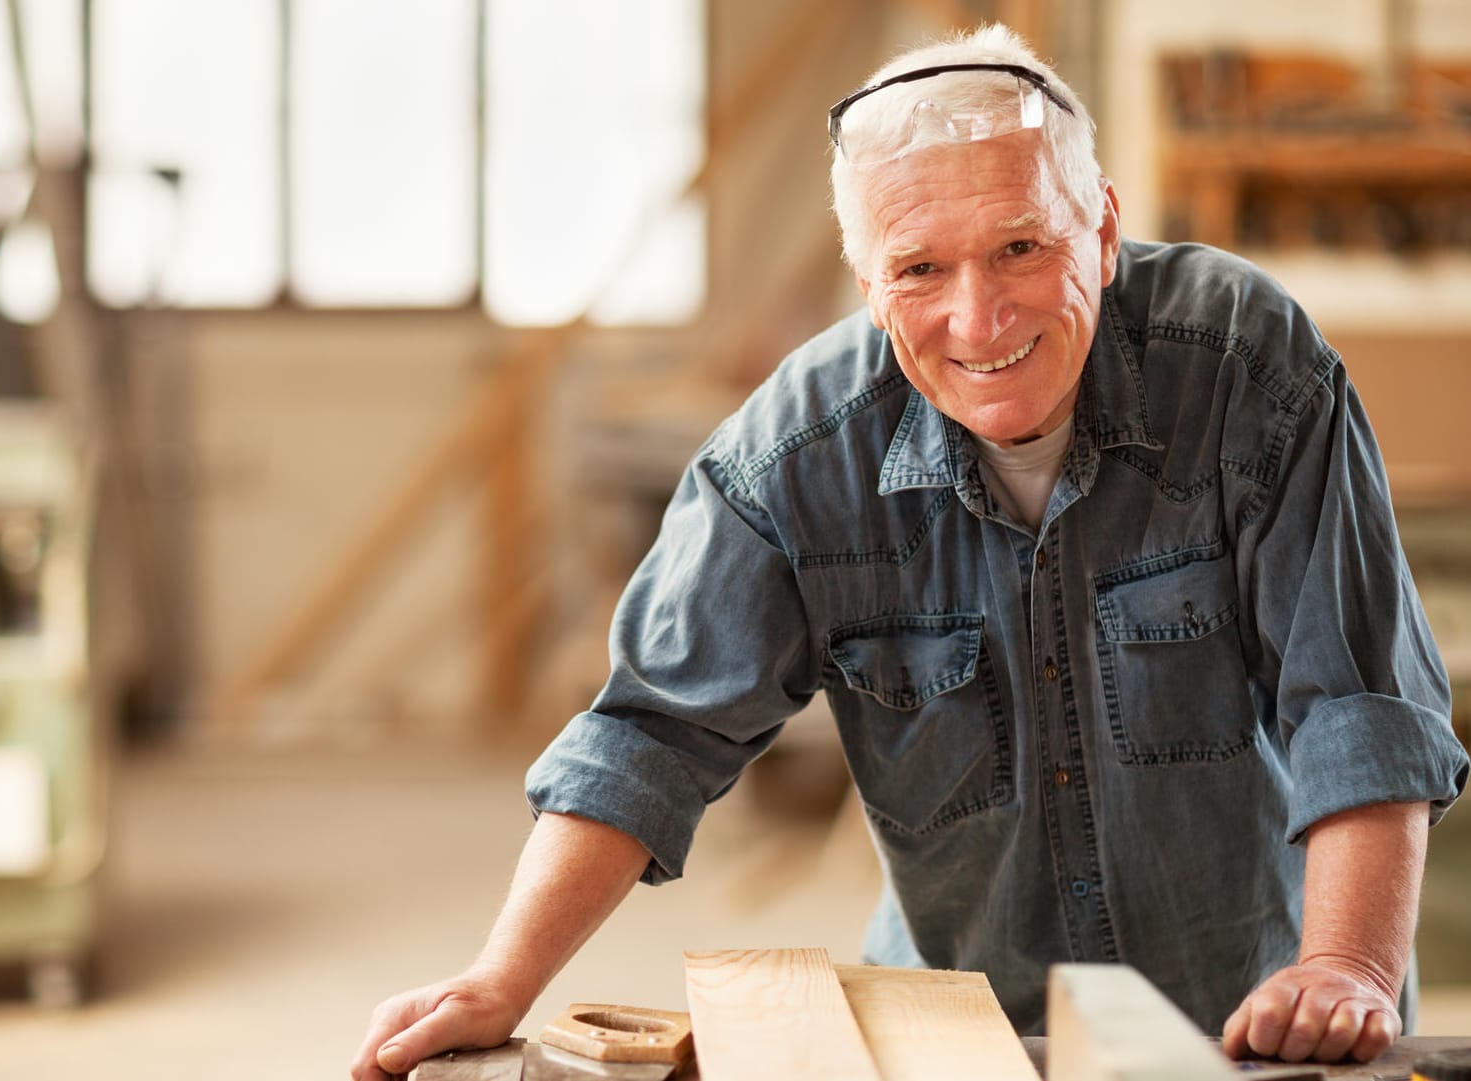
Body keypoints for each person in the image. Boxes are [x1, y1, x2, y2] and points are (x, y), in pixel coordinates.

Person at [350, 23, 1469, 1079]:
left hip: (1260, 1012)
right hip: (961, 1027)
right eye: (920, 269)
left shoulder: (1243, 367)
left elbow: (1358, 702)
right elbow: (650, 733)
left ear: (1102, 229)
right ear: (867, 282)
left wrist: (1347, 966)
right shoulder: (789, 461)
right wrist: (502, 976)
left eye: (1020, 247)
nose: (979, 320)